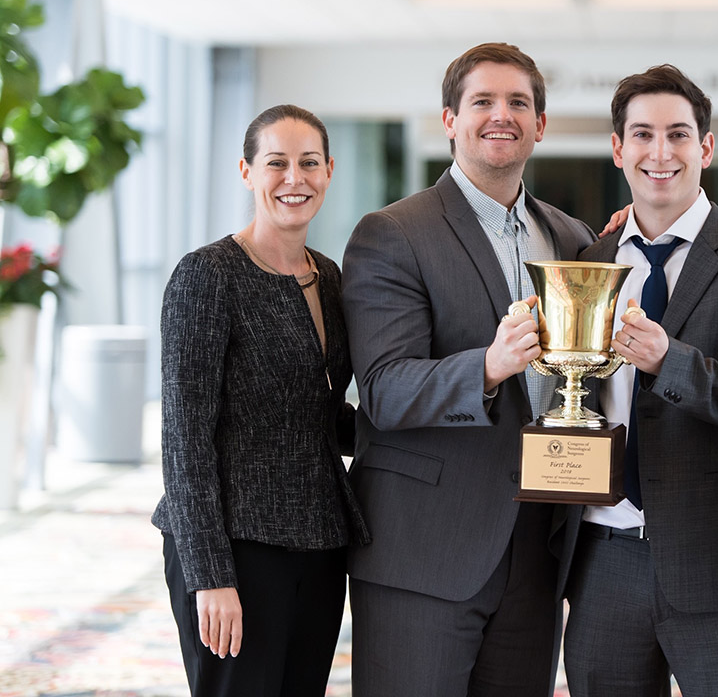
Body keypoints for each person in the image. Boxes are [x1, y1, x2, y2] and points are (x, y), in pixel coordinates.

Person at [341, 42, 596, 696]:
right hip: (426, 547)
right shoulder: (393, 233)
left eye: (519, 102)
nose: (500, 115)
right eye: (482, 101)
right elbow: (385, 391)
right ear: (450, 119)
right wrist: (487, 366)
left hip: (538, 547)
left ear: (541, 125)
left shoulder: (570, 239)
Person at [558, 64, 718, 696]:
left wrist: (671, 362)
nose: (659, 152)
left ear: (706, 147)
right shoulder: (590, 263)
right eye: (641, 135)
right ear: (618, 150)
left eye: (677, 134)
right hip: (601, 554)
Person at [152, 104, 369, 697]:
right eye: (276, 163)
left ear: (329, 171)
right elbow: (184, 436)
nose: (293, 179)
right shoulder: (207, 274)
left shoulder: (328, 276)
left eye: (308, 164)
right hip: (237, 548)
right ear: (247, 172)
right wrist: (210, 576)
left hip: (320, 543)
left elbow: (318, 412)